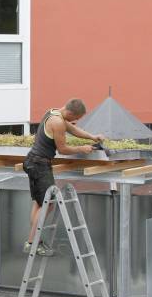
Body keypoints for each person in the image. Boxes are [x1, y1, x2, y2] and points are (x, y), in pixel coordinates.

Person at [22, 98, 105, 256]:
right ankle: (32, 243)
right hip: (40, 165)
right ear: (70, 113)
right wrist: (82, 148)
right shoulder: (58, 122)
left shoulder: (53, 112)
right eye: (76, 118)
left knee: (39, 204)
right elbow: (63, 149)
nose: (75, 121)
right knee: (48, 205)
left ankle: (33, 241)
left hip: (32, 162)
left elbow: (73, 130)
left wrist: (92, 137)